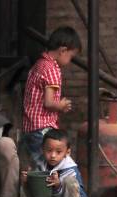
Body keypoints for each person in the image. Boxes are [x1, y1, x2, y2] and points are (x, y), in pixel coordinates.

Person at [20, 26, 81, 171]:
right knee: (52, 168)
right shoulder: (53, 69)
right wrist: (61, 105)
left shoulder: (39, 64)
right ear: (63, 50)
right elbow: (49, 103)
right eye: (70, 57)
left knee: (36, 166)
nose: (69, 61)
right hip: (43, 128)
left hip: (29, 126)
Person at [22, 129, 87, 197]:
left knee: (70, 181)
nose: (53, 155)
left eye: (58, 152)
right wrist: (29, 178)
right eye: (49, 150)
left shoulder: (70, 169)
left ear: (67, 153)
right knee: (28, 179)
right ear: (42, 149)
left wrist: (57, 185)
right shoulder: (40, 163)